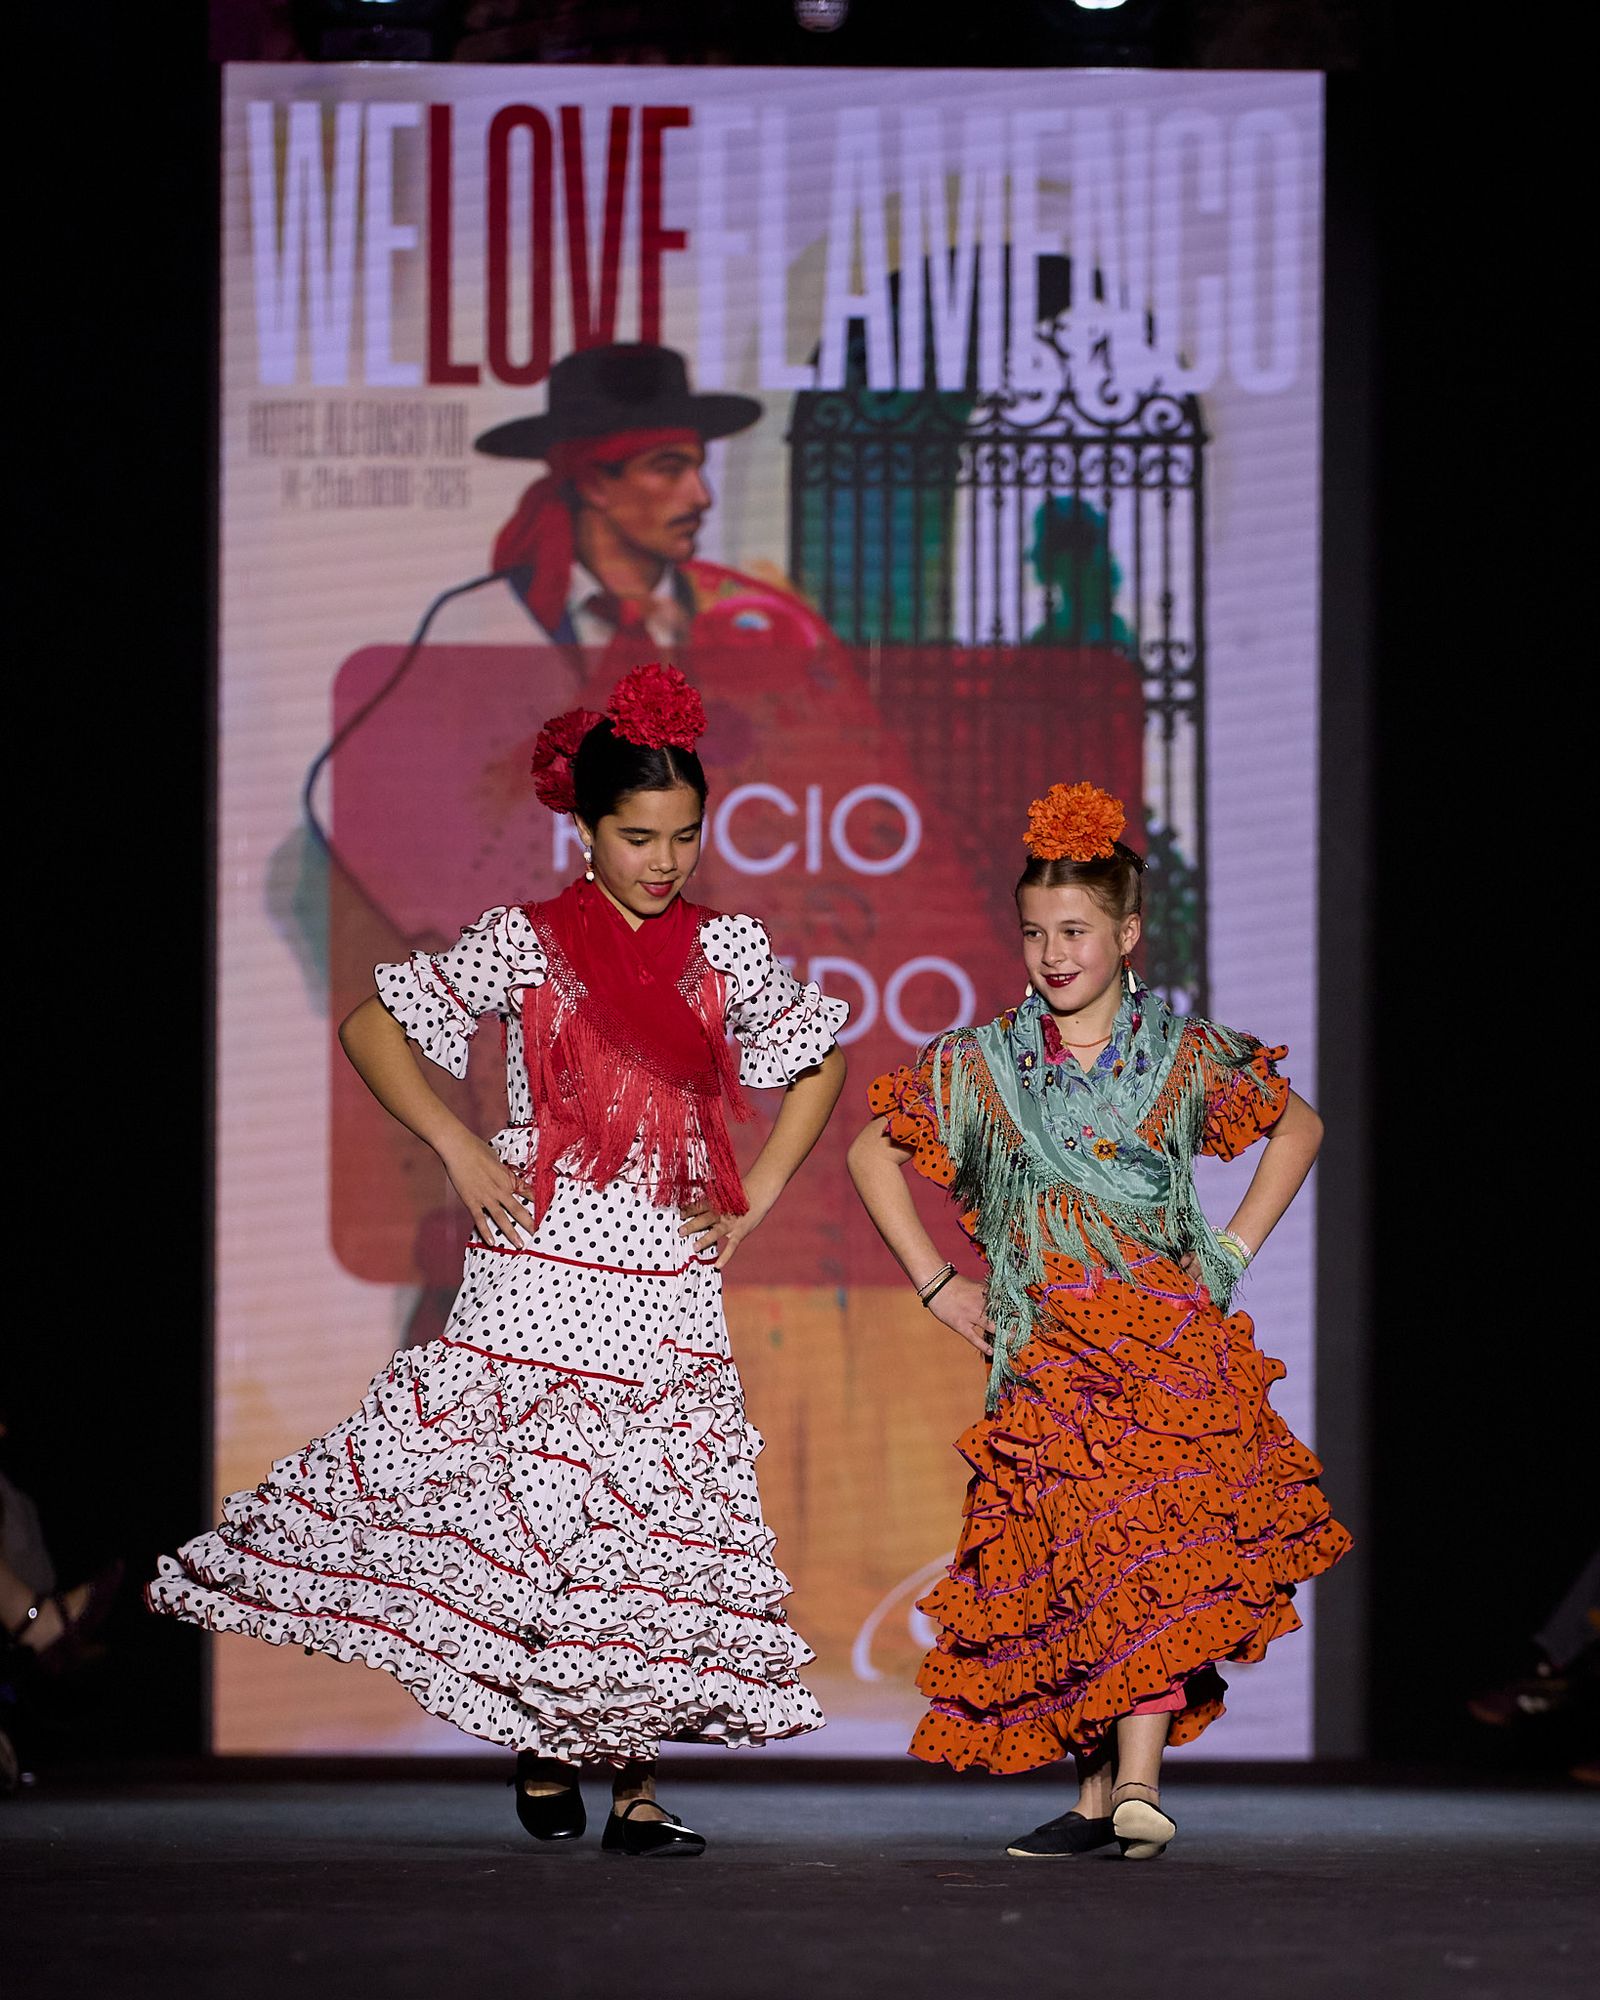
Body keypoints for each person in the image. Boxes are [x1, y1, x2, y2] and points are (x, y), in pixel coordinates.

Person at [150, 663, 848, 1856]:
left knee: (648, 1522)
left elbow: (818, 1063)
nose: (662, 859)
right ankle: (541, 1733)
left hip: (663, 1272)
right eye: (637, 836)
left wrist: (756, 1195)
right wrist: (461, 1147)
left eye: (683, 835)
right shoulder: (524, 943)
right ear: (584, 832)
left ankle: (631, 1788)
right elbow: (371, 1025)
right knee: (538, 1507)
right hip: (538, 1264)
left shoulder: (722, 945)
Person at [847, 781, 1349, 1860]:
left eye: (1075, 930)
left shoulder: (1181, 1053)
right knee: (1080, 1567)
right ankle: (1095, 1802)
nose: (1053, 951)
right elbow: (868, 1153)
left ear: (1125, 934)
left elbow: (1296, 1124)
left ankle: (1136, 1779)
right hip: (1044, 1362)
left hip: (1165, 1350)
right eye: (1034, 932)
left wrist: (1228, 1252)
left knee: (1152, 1553)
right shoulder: (979, 1063)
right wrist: (939, 1283)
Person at [449, 342, 838, 665]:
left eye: (698, 468)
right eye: (669, 469)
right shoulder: (484, 618)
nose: (703, 498)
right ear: (593, 483)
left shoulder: (760, 620)